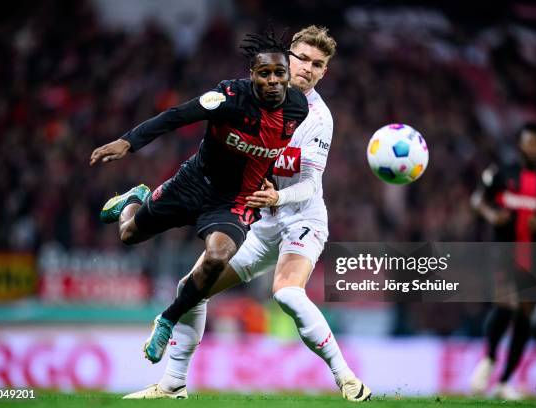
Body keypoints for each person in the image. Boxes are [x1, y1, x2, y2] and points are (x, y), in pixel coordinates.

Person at [123, 25, 371, 402]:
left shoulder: (318, 119)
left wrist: (278, 199)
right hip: (258, 219)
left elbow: (310, 184)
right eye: (301, 58)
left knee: (286, 293)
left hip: (301, 218)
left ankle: (347, 378)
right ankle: (173, 384)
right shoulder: (251, 96)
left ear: (324, 72)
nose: (307, 68)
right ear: (287, 58)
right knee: (193, 287)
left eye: (316, 64)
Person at [90, 29, 308, 362]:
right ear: (252, 76)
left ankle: (168, 318)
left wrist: (270, 183)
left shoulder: (297, 109)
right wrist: (128, 142)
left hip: (235, 201)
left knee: (218, 256)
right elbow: (176, 116)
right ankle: (134, 198)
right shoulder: (228, 97)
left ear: (288, 76)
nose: (274, 81)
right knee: (128, 234)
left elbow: (268, 150)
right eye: (265, 74)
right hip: (194, 182)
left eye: (280, 73)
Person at [469, 123, 536, 400]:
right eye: (529, 142)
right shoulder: (502, 173)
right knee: (505, 304)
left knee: (525, 315)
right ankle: (489, 357)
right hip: (504, 250)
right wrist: (493, 216)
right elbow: (478, 200)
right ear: (520, 144)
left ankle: (504, 381)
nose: (533, 147)